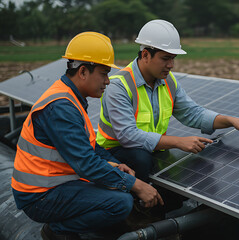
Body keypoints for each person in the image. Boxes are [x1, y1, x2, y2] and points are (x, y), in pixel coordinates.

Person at [11, 32, 163, 240]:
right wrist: (136, 185)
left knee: (119, 182)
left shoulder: (70, 97)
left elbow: (90, 146)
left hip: (55, 185)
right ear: (83, 72)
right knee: (121, 203)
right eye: (104, 73)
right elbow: (86, 163)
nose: (108, 81)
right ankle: (58, 231)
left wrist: (114, 163)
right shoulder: (61, 107)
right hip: (40, 196)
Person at [97, 19, 239, 190]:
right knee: (141, 158)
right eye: (165, 58)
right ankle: (134, 204)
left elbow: (193, 113)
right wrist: (178, 141)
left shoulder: (168, 81)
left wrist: (231, 121)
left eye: (173, 58)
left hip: (152, 147)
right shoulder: (119, 86)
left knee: (190, 161)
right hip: (114, 154)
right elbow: (128, 136)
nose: (171, 65)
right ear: (145, 55)